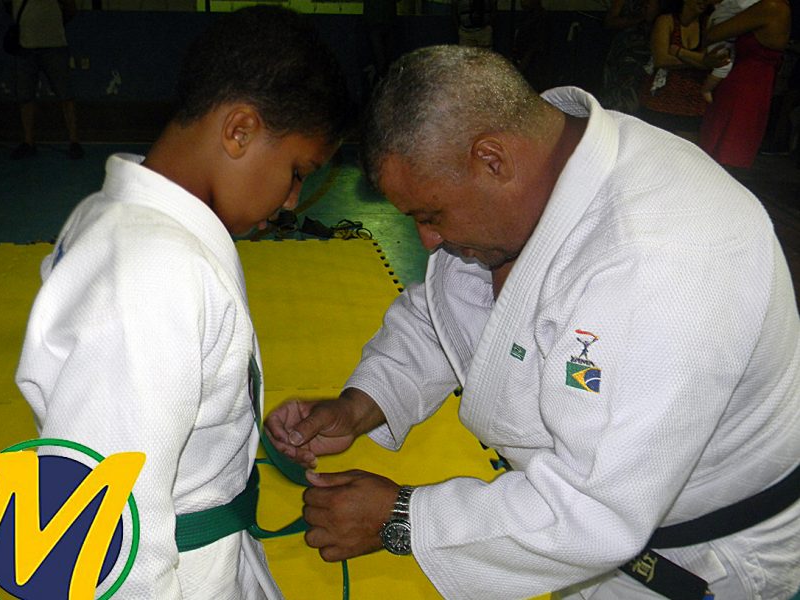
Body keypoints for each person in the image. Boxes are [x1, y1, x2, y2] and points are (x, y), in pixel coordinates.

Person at [266, 45, 800, 600]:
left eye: (431, 216)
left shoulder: (655, 263)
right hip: (587, 525)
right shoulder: (538, 173)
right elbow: (444, 311)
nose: (426, 240)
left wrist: (402, 518)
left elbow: (593, 508)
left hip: (696, 557)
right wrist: (360, 404)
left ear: (492, 160)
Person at [15, 6, 350, 598]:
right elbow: (107, 524)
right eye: (297, 171)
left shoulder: (130, 224)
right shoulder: (152, 270)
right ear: (239, 129)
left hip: (209, 554)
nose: (294, 199)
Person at [698, 0, 791, 168]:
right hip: (744, 86)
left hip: (744, 89)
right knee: (717, 157)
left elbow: (712, 34)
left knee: (723, 157)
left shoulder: (771, 6)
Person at [638, 0, 727, 136]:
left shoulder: (708, 23)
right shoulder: (666, 21)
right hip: (660, 100)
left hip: (693, 103)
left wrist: (680, 52)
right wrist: (700, 60)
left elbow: (712, 62)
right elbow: (661, 60)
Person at [8, 0, 83, 159]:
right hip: (42, 44)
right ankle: (72, 142)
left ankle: (32, 142)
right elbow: (70, 10)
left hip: (41, 44)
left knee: (59, 94)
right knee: (32, 95)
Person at [599, 0, 660, 113]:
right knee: (617, 85)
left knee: (638, 86)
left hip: (644, 51)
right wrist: (638, 19)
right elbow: (609, 22)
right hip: (624, 48)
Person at [699, 0, 759, 104]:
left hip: (718, 21)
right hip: (722, 34)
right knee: (724, 66)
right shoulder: (749, 3)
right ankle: (706, 89)